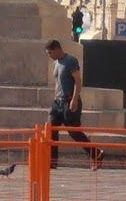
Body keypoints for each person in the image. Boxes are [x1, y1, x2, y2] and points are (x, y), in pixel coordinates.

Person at [44, 38, 103, 169]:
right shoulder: (56, 63)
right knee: (50, 129)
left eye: (50, 53)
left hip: (69, 100)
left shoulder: (70, 61)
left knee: (74, 131)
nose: (50, 56)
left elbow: (78, 81)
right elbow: (57, 83)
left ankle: (96, 153)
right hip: (57, 101)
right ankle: (52, 161)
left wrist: (74, 99)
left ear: (57, 49)